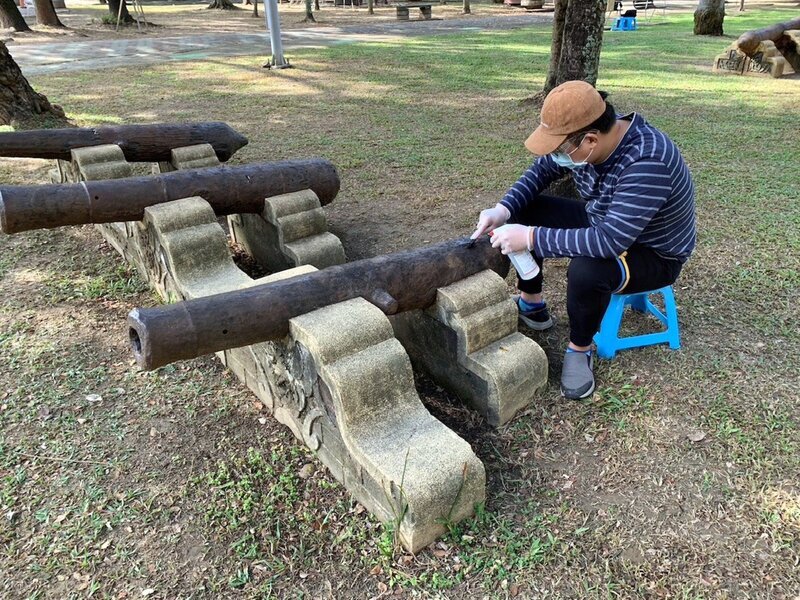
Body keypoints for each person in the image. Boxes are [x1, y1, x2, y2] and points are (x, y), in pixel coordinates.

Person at [471, 80, 696, 400]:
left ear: (590, 140)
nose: (557, 158)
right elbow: (540, 172)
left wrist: (531, 237)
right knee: (524, 209)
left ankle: (580, 346)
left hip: (654, 252)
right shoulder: (582, 145)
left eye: (562, 152)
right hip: (606, 222)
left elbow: (609, 242)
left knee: (587, 269)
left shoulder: (648, 161)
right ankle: (533, 306)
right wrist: (503, 210)